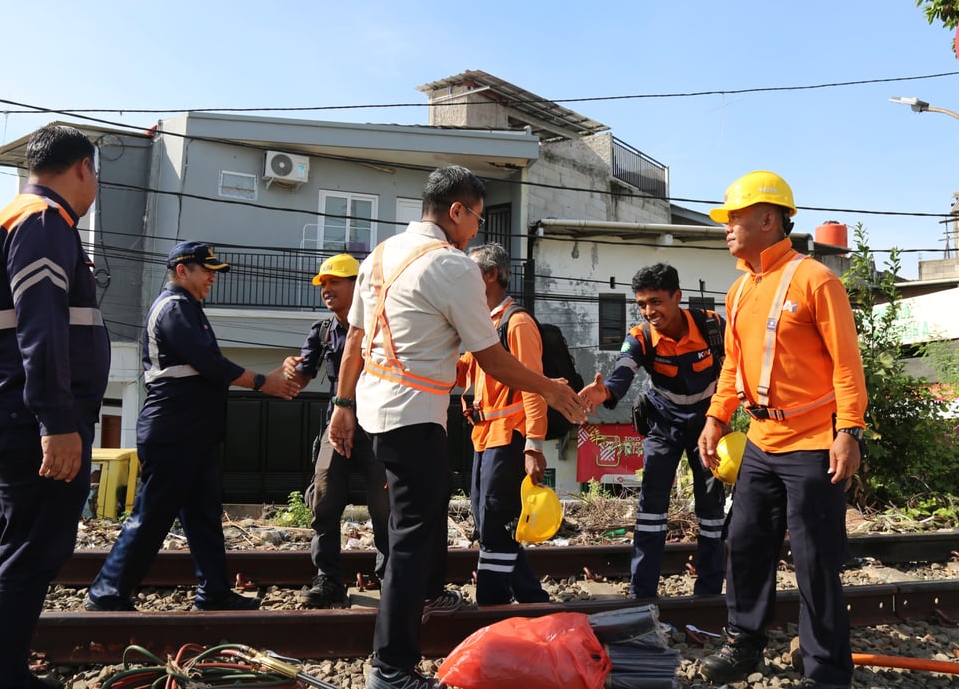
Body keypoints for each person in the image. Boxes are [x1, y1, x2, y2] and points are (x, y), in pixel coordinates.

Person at [327, 165, 588, 689]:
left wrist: (342, 404)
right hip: (413, 417)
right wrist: (552, 389)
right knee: (411, 539)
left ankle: (421, 606)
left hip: (377, 412)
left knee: (413, 526)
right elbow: (491, 359)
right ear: (455, 211)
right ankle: (392, 668)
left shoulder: (378, 255)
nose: (477, 231)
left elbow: (355, 341)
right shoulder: (452, 267)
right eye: (476, 218)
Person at [697, 170, 867, 689]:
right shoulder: (738, 290)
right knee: (744, 544)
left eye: (735, 218)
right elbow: (733, 365)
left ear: (768, 219)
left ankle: (826, 671)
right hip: (762, 443)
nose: (726, 228)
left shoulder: (816, 279)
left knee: (816, 561)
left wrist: (850, 430)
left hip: (815, 444)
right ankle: (744, 643)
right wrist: (716, 416)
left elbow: (846, 363)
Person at [0, 124, 109, 689]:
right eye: (95, 172)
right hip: (33, 418)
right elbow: (41, 326)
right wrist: (58, 421)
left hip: (11, 412)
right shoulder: (44, 220)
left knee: (8, 545)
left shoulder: (18, 217)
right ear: (81, 168)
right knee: (32, 549)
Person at [85, 241, 300, 612]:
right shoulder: (175, 309)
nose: (213, 278)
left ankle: (214, 591)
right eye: (206, 270)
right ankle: (106, 592)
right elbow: (210, 364)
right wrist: (266, 382)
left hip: (190, 432)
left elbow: (208, 365)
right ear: (182, 270)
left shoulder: (187, 309)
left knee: (202, 516)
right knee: (152, 515)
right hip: (175, 431)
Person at [578, 263, 726, 599]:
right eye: (642, 304)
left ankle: (708, 594)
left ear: (678, 297)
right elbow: (623, 371)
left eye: (656, 302)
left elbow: (738, 367)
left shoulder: (713, 327)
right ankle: (642, 594)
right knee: (650, 511)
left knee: (712, 512)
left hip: (707, 425)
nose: (649, 311)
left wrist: (726, 415)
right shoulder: (641, 337)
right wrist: (606, 392)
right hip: (664, 424)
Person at [282, 253, 390, 607]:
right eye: (323, 284)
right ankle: (328, 578)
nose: (326, 290)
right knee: (325, 500)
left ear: (357, 285)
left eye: (335, 282)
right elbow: (301, 374)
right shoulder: (323, 331)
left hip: (376, 425)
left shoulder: (379, 326)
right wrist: (288, 370)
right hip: (337, 425)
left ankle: (390, 576)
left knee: (384, 504)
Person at [457, 243, 550, 606]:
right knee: (487, 523)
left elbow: (535, 385)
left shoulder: (517, 323)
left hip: (508, 436)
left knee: (495, 523)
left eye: (469, 275)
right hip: (485, 438)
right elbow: (460, 372)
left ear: (491, 275)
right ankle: (531, 598)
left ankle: (491, 603)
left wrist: (534, 445)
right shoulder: (485, 325)